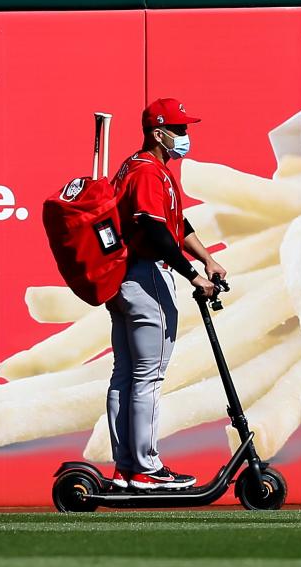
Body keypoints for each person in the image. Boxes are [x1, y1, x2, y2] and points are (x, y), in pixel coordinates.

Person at [104, 97, 227, 490]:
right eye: (179, 130)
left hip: (124, 278)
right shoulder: (146, 172)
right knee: (147, 377)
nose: (185, 136)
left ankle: (128, 467)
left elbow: (176, 221)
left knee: (127, 374)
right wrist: (194, 275)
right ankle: (144, 467)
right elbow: (156, 233)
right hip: (144, 276)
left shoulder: (143, 168)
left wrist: (207, 259)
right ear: (158, 133)